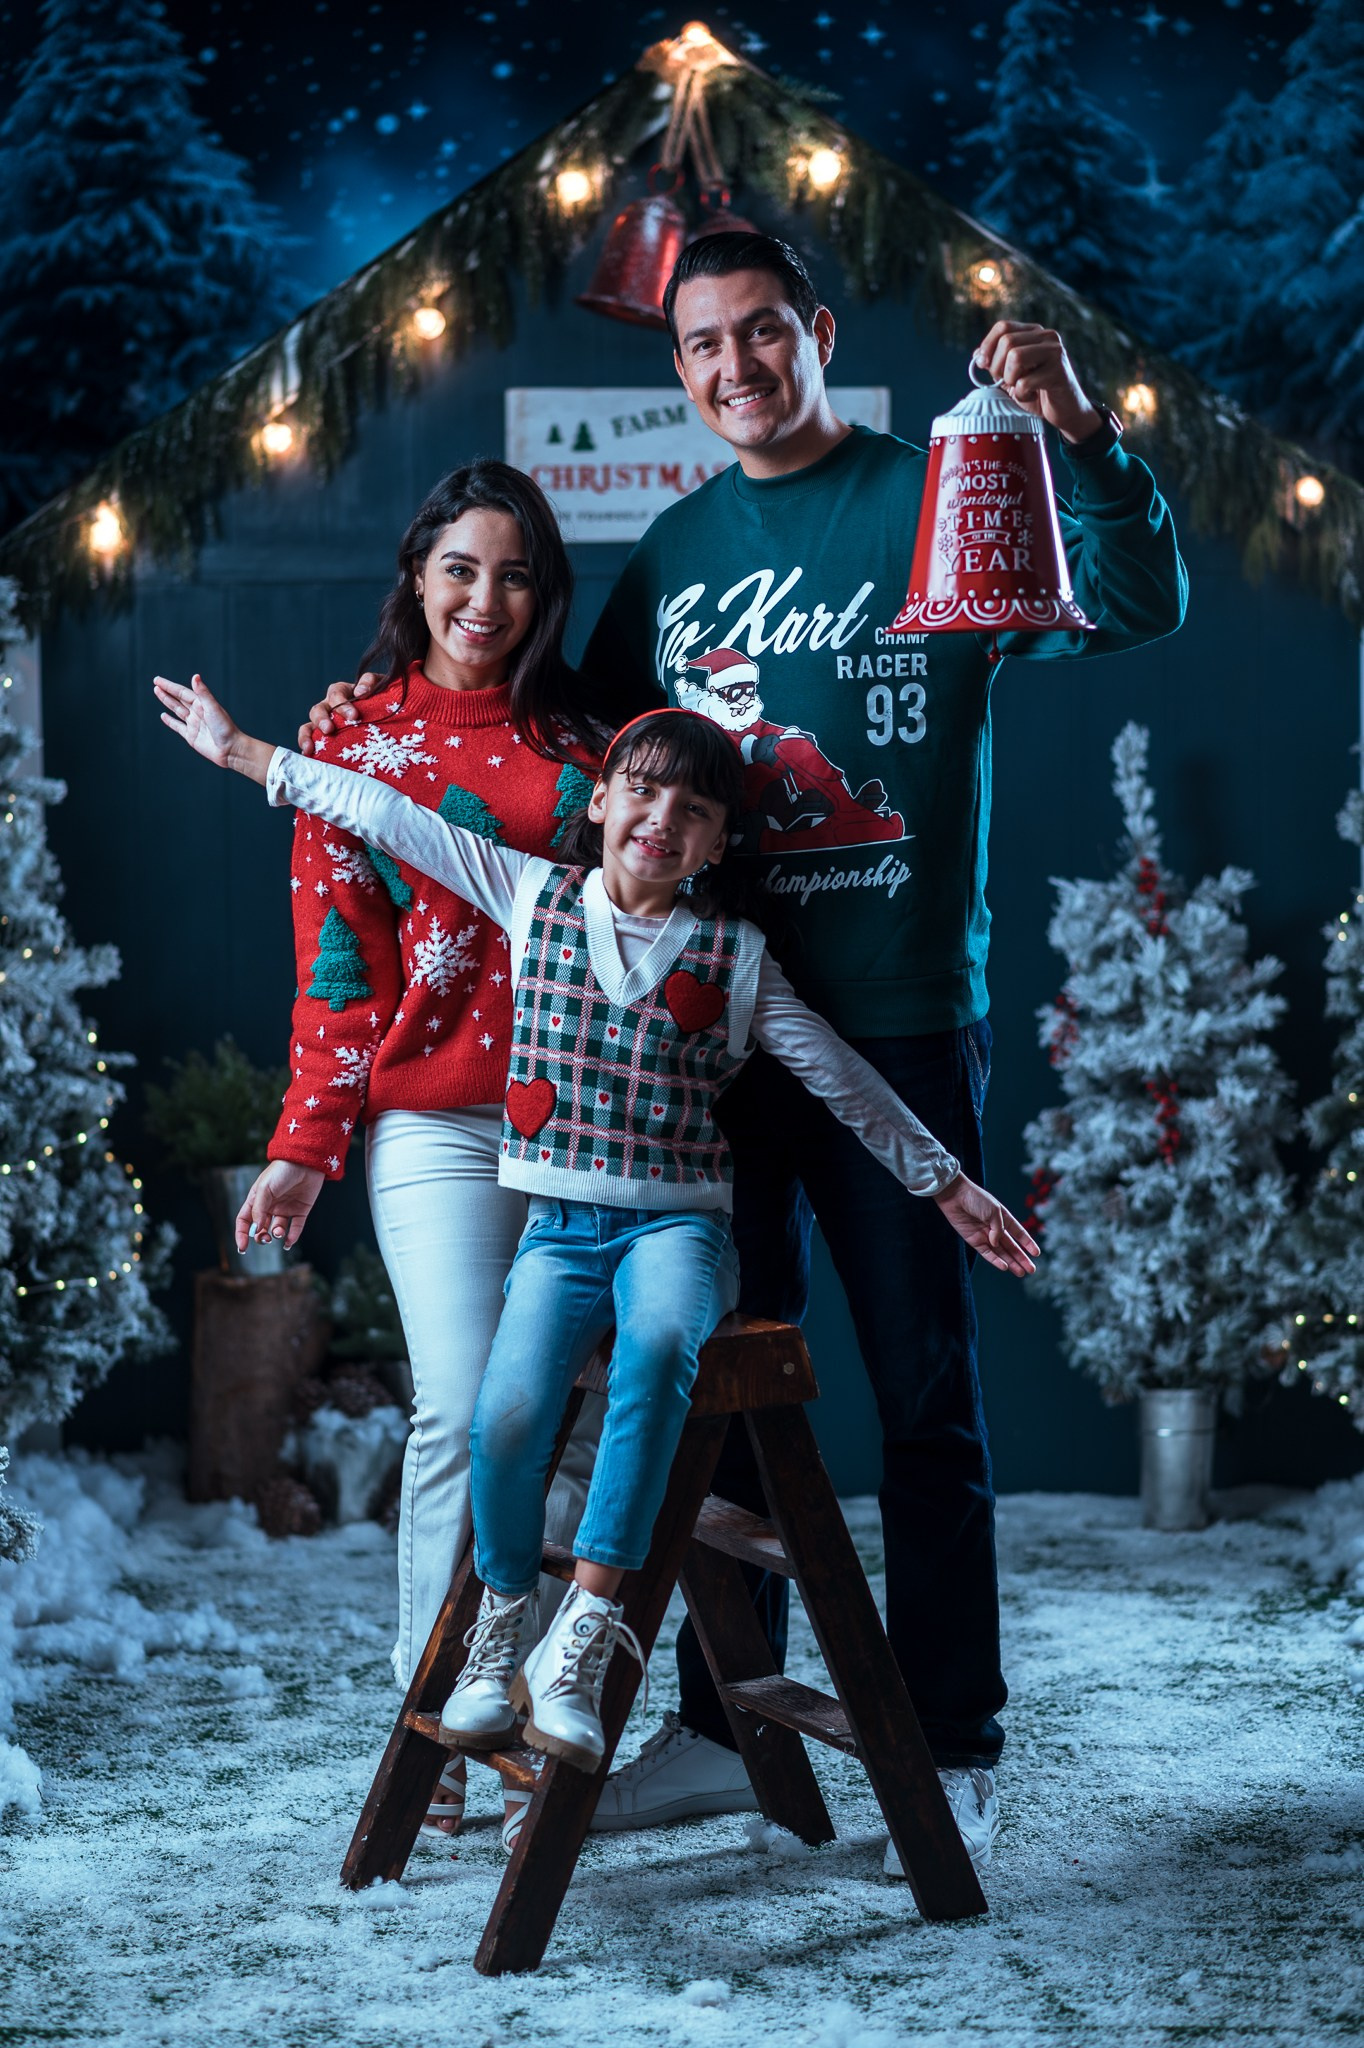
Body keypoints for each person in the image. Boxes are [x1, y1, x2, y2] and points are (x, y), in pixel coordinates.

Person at [296, 232, 1187, 1873]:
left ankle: (949, 1731)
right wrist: (395, 700)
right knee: (714, 1402)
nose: (729, 367)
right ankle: (717, 1727)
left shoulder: (945, 484)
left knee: (922, 1399)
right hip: (701, 1058)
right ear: (681, 368)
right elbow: (584, 762)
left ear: (814, 333)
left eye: (758, 333)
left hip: (898, 1018)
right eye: (698, 345)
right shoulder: (679, 549)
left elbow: (1136, 600)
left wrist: (1074, 425)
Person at [155, 678, 1040, 1775]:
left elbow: (836, 1076)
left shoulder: (735, 959)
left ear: (716, 844)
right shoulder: (533, 896)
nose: (659, 821)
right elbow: (387, 812)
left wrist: (943, 1179)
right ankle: (499, 1633)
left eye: (692, 811)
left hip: (676, 1226)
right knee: (506, 1406)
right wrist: (247, 752)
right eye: (640, 791)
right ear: (602, 803)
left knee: (661, 1349)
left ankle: (585, 1628)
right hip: (561, 1227)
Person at [233, 459, 647, 1845]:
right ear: (415, 574)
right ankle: (439, 1730)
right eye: (461, 566)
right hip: (437, 1125)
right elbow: (335, 970)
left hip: (592, 1124)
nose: (487, 596)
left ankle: (545, 1699)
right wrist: (306, 1141)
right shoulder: (349, 748)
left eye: (517, 571)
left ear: (547, 592)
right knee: (463, 1409)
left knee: (574, 1418)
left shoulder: (596, 739)